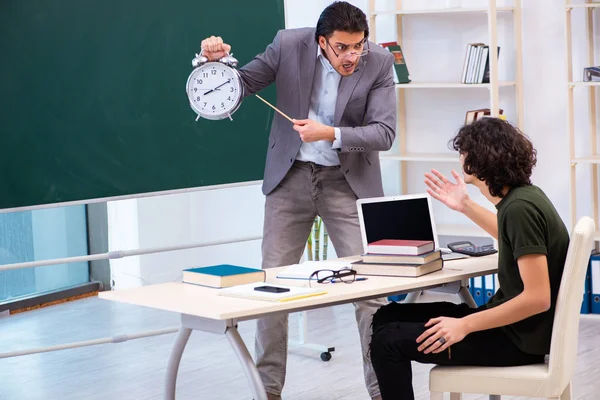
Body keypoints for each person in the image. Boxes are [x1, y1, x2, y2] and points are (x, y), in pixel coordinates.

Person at [200, 2, 396, 399]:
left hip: (347, 181)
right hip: (289, 178)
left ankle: (383, 392)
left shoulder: (378, 62)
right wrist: (215, 63)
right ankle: (267, 392)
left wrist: (331, 133)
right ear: (321, 41)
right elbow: (238, 87)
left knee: (371, 291)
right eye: (341, 47)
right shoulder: (288, 45)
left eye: (358, 46)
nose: (351, 56)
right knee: (272, 289)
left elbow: (384, 133)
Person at [369, 117, 570, 400]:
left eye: (463, 152)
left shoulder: (519, 209)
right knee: (387, 315)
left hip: (516, 341)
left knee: (387, 342)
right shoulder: (524, 199)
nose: (460, 157)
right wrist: (465, 206)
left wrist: (463, 325)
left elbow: (538, 298)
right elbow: (509, 235)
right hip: (517, 331)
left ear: (479, 160)